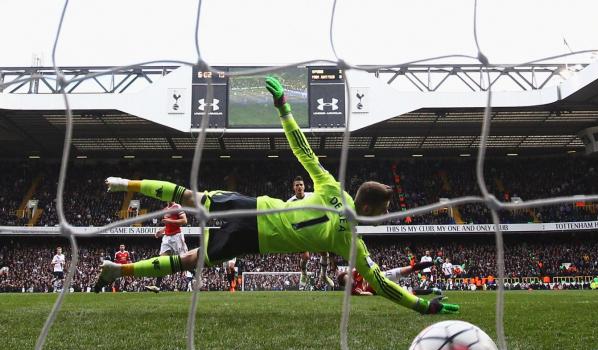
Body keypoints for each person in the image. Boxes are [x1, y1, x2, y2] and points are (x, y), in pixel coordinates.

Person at [94, 76, 458, 315]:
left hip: (253, 205)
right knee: (191, 261)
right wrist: (421, 306)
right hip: (254, 237)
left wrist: (284, 105)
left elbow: (303, 150)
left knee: (191, 196)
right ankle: (119, 270)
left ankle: (126, 184)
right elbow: (379, 283)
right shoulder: (350, 241)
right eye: (383, 210)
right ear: (367, 208)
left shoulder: (332, 186)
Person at [287, 176, 334, 290]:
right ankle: (303, 273)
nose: (299, 187)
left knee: (324, 253)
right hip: (301, 232)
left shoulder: (311, 196)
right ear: (294, 188)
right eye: (297, 185)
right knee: (306, 256)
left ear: (304, 186)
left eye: (301, 185)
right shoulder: (289, 202)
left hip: (314, 229)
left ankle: (323, 275)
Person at [145, 201, 189, 293]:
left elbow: (184, 221)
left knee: (185, 260)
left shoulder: (177, 206)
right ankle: (157, 286)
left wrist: (169, 221)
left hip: (176, 237)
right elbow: (168, 225)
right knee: (161, 261)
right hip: (167, 237)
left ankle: (197, 277)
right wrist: (161, 231)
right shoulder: (165, 209)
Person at [337, 262, 442, 296]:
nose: (348, 278)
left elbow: (367, 266)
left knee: (409, 269)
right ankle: (433, 290)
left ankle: (434, 263)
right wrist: (364, 293)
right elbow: (369, 294)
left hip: (383, 275)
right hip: (382, 287)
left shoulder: (355, 272)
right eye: (346, 280)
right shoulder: (353, 291)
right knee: (409, 293)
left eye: (347, 277)